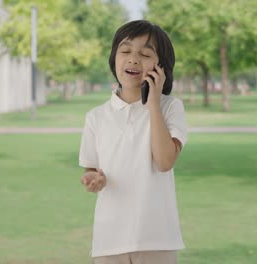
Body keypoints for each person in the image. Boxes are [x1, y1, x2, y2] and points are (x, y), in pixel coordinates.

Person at [79, 20, 187, 264]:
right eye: (125, 51)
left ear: (161, 66)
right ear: (114, 59)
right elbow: (91, 168)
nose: (133, 59)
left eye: (146, 54)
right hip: (109, 239)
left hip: (157, 238)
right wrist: (92, 178)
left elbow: (164, 161)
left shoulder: (171, 107)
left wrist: (154, 105)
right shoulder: (96, 117)